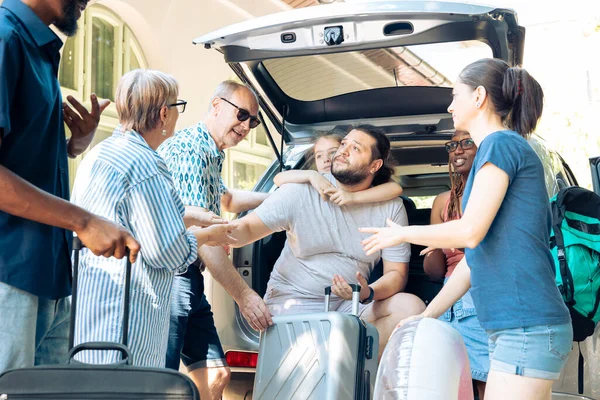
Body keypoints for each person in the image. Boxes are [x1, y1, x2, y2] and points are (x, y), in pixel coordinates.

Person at [360, 58, 572, 400]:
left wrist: (402, 234)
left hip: (525, 324)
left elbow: (468, 231)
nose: (449, 105)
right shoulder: (501, 149)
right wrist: (426, 317)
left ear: (478, 97)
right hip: (519, 325)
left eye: (455, 95)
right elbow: (473, 259)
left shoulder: (500, 145)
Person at [0, 0, 139, 374]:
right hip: (8, 275)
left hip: (49, 277)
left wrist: (73, 145)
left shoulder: (37, 47)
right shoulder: (4, 36)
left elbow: (19, 160)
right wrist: (84, 221)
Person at [70, 69, 238, 367]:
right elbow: (166, 251)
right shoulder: (148, 164)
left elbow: (128, 219)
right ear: (164, 113)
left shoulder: (99, 154)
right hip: (128, 322)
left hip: (89, 311)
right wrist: (209, 236)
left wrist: (187, 215)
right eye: (177, 106)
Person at [228, 125, 426, 357]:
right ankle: (341, 365)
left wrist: (366, 292)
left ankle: (347, 371)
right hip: (293, 302)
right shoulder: (301, 190)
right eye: (344, 144)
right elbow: (246, 230)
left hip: (349, 307)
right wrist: (215, 231)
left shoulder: (391, 206)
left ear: (375, 165)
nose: (343, 150)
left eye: (355, 148)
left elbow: (396, 275)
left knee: (411, 308)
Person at [158, 80, 271, 399]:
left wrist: (278, 198)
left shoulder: (210, 151)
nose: (247, 125)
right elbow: (202, 239)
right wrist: (245, 296)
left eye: (254, 120)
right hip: (170, 279)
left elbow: (227, 199)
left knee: (217, 375)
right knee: (159, 381)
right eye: (242, 114)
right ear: (217, 106)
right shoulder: (191, 150)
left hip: (188, 278)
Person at [421, 131, 489, 399]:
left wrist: (458, 239)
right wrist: (434, 245)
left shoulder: (491, 192)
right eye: (452, 145)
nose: (457, 150)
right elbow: (435, 271)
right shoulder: (442, 202)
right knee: (452, 386)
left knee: (485, 380)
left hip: (481, 288)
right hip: (449, 296)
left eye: (466, 143)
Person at [274, 132, 404, 205]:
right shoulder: (310, 183)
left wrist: (352, 197)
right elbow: (278, 179)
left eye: (332, 152)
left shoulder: (368, 184)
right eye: (319, 156)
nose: (326, 159)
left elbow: (395, 189)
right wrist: (311, 175)